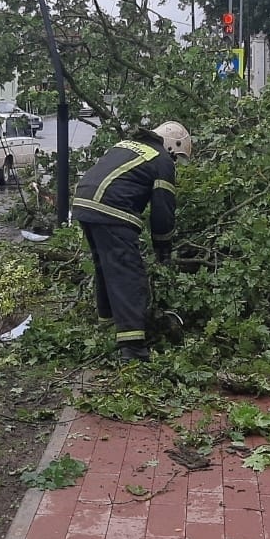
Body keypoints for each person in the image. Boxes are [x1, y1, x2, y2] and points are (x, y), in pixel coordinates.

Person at [72, 121, 192, 362]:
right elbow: (162, 211)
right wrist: (163, 249)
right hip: (111, 209)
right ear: (173, 145)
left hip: (84, 202)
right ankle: (133, 348)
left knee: (107, 267)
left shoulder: (129, 145)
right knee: (128, 274)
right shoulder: (162, 160)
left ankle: (107, 325)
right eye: (177, 157)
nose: (175, 162)